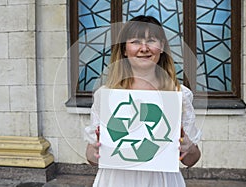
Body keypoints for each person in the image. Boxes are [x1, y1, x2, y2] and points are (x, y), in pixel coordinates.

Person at [84, 15, 202, 187]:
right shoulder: (106, 95)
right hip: (116, 180)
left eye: (151, 41)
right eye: (136, 41)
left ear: (161, 47)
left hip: (161, 181)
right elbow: (92, 158)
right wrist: (95, 150)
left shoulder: (179, 95)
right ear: (124, 49)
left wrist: (188, 148)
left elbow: (191, 160)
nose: (144, 48)